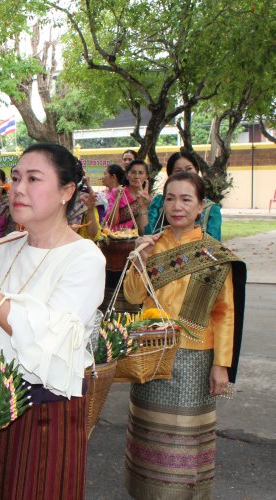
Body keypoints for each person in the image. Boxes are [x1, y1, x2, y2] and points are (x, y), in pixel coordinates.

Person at [0, 143, 105, 499]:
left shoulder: (84, 258)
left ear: (66, 191)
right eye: (15, 178)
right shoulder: (7, 245)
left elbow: (51, 335)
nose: (17, 189)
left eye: (33, 179)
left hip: (46, 410)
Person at [123, 172, 245, 499]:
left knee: (186, 440)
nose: (177, 206)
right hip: (151, 355)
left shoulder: (213, 254)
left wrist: (221, 365)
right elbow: (133, 297)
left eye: (186, 199)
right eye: (171, 198)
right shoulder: (150, 245)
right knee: (149, 436)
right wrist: (140, 261)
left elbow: (224, 312)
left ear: (201, 205)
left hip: (194, 360)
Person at [145, 151, 222, 240]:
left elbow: (213, 244)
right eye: (178, 171)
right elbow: (149, 232)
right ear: (171, 174)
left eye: (186, 200)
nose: (177, 207)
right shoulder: (159, 202)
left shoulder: (211, 209)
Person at [105, 159, 150, 233]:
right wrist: (118, 198)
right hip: (117, 239)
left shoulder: (148, 199)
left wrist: (143, 205)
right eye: (133, 172)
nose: (136, 176)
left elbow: (145, 230)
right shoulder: (117, 192)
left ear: (146, 177)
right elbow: (112, 222)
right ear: (127, 175)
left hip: (138, 241)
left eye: (141, 173)